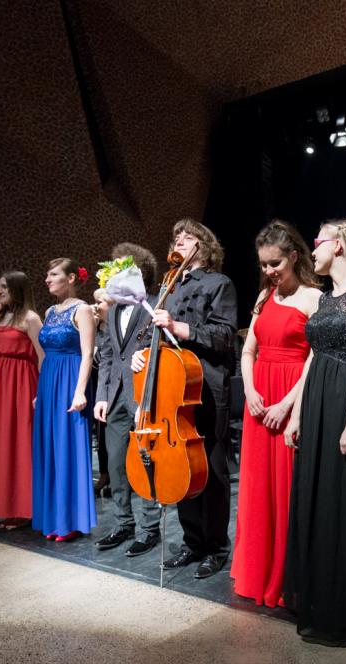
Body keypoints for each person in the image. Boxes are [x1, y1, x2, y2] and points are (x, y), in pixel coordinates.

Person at [283, 218, 346, 646]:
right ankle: (319, 601)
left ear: (339, 246)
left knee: (343, 503)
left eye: (318, 241)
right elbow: (313, 358)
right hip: (319, 402)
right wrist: (296, 414)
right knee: (317, 499)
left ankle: (345, 612)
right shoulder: (327, 300)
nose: (313, 249)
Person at [132, 219, 237, 577]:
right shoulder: (169, 286)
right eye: (176, 235)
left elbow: (225, 336)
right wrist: (141, 353)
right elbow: (153, 332)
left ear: (204, 245)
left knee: (212, 468)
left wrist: (179, 327)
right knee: (180, 465)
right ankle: (193, 543)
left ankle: (216, 546)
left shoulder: (219, 283)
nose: (179, 239)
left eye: (188, 236)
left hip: (206, 387)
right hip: (172, 391)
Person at [230, 220, 321, 607]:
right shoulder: (264, 296)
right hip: (258, 402)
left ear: (294, 257)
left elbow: (316, 359)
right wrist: (250, 389)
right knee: (256, 490)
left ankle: (284, 578)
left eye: (275, 264)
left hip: (290, 400)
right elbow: (248, 350)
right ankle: (255, 571)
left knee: (285, 492)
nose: (268, 271)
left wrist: (287, 403)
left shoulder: (314, 298)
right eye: (264, 264)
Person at [94, 243, 162, 556]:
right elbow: (107, 354)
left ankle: (149, 529)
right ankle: (123, 522)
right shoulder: (114, 310)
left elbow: (159, 349)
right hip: (117, 396)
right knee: (116, 462)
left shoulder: (153, 304)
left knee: (144, 463)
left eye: (120, 267)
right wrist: (102, 396)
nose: (113, 272)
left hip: (143, 394)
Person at [32, 258, 96, 541]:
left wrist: (80, 390)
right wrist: (38, 391)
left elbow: (88, 354)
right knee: (50, 449)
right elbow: (43, 353)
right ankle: (54, 518)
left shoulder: (82, 310)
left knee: (67, 447)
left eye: (54, 274)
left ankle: (70, 520)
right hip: (49, 381)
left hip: (70, 380)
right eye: (47, 274)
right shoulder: (49, 310)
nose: (47, 279)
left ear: (71, 278)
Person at [0, 271, 43, 529]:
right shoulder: (2, 317)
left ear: (17, 289)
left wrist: (40, 392)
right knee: (5, 443)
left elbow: (43, 357)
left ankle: (25, 509)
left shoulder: (31, 318)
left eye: (3, 287)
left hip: (23, 382)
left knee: (22, 443)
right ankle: (8, 505)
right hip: (2, 383)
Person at [91, 289, 113, 496]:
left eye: (101, 301)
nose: (96, 306)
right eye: (95, 301)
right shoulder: (95, 330)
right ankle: (105, 473)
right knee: (101, 433)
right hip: (97, 385)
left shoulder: (114, 330)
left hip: (114, 386)